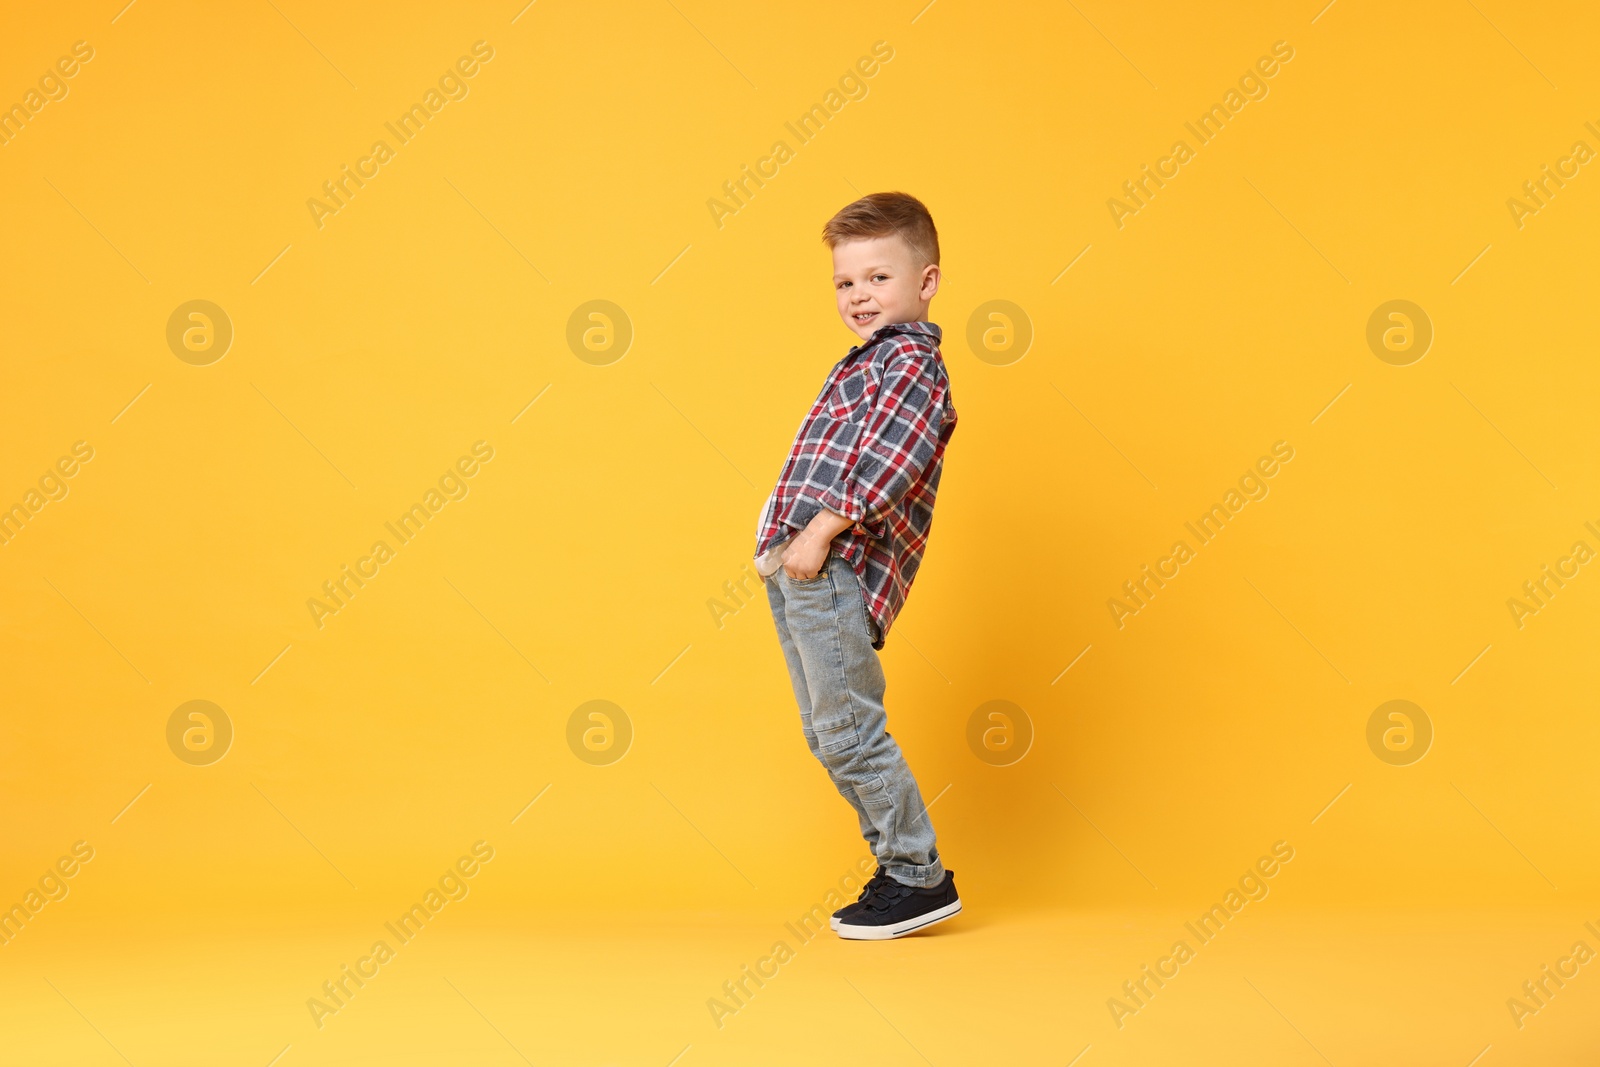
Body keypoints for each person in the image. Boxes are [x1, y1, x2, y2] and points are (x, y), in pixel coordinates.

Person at [754, 191, 961, 940]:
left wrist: (818, 535)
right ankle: (899, 867)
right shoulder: (865, 363)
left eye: (878, 278)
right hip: (802, 569)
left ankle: (918, 874)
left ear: (926, 280)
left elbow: (894, 460)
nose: (859, 296)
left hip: (835, 568)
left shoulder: (910, 360)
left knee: (847, 730)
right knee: (828, 731)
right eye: (846, 283)